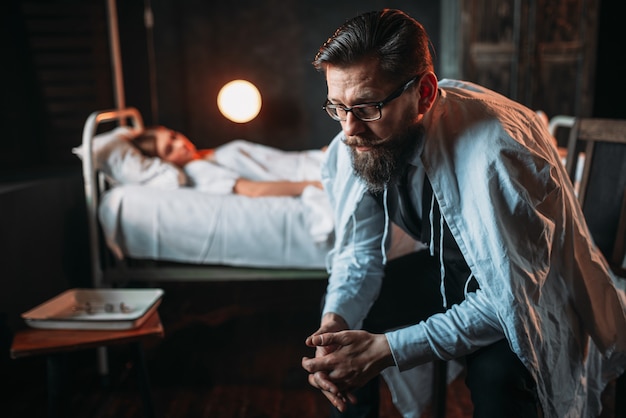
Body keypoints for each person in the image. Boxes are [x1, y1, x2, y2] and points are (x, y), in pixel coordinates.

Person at [300, 9, 626, 418]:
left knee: (498, 379)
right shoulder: (353, 142)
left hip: (529, 293)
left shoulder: (498, 154)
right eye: (337, 107)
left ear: (424, 93)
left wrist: (390, 350)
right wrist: (335, 321)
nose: (349, 130)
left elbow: (510, 296)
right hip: (448, 272)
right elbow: (358, 253)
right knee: (342, 340)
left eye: (367, 107)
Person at [131, 125, 324, 197]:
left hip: (313, 161)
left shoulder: (204, 155)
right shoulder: (198, 171)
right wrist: (313, 184)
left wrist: (317, 154)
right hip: (312, 178)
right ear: (163, 163)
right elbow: (252, 190)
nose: (180, 144)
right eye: (169, 149)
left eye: (173, 136)